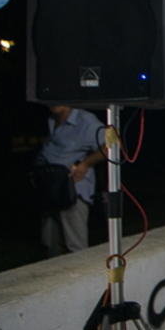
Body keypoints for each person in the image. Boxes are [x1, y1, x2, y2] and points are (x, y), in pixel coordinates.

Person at [35, 104, 104, 256]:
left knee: (75, 247)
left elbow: (110, 146)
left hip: (73, 190)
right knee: (50, 244)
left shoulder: (85, 120)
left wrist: (85, 163)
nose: (53, 102)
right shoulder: (52, 120)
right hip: (50, 189)